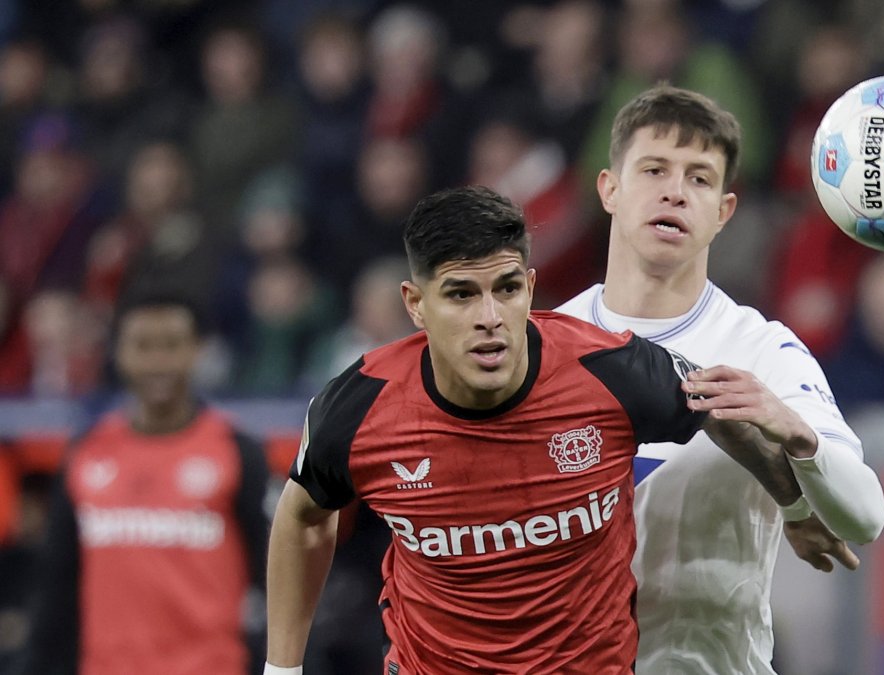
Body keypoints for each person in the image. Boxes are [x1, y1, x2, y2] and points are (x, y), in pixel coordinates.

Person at [264, 185, 822, 674]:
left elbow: (714, 409)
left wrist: (794, 506)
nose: (490, 317)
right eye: (461, 294)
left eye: (506, 289)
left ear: (530, 288)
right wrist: (281, 668)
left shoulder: (613, 372)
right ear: (416, 305)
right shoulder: (359, 408)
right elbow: (303, 514)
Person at [556, 84, 884, 674]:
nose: (675, 192)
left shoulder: (762, 350)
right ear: (609, 188)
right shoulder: (546, 344)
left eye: (700, 179)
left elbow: (864, 518)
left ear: (723, 213)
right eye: (654, 169)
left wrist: (799, 438)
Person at [18, 293, 270, 675]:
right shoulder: (87, 452)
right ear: (119, 352)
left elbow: (276, 581)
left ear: (198, 350)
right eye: (142, 346)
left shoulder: (237, 453)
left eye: (171, 345)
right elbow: (57, 588)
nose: (157, 362)